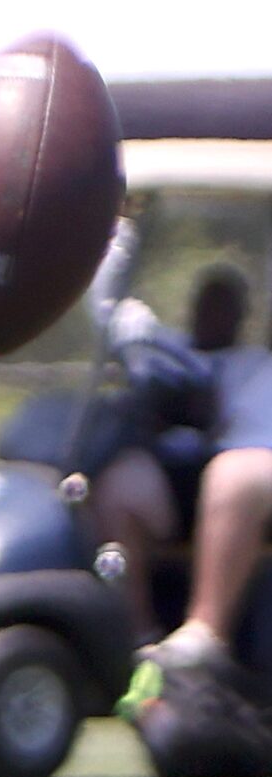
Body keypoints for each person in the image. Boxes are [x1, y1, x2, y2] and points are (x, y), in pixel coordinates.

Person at [89, 257, 272, 667]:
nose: (211, 313)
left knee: (234, 475)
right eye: (205, 302)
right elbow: (113, 311)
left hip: (252, 472)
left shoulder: (255, 363)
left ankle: (205, 636)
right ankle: (138, 637)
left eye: (223, 305)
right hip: (187, 475)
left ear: (240, 314)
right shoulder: (170, 349)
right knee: (121, 483)